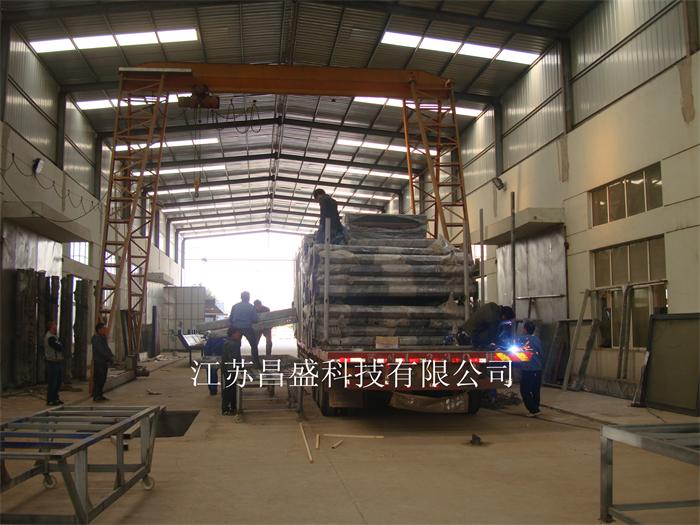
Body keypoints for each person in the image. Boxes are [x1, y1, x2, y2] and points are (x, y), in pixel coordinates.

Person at [229, 291, 261, 368]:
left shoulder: (235, 306)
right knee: (254, 345)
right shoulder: (251, 307)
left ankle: (237, 364)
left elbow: (231, 318)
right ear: (249, 298)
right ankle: (256, 364)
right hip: (247, 328)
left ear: (241, 297)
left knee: (236, 346)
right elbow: (255, 320)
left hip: (236, 328)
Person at [519, 320, 543, 416]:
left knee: (524, 390)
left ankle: (533, 410)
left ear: (525, 329)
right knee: (535, 390)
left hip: (528, 369)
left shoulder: (522, 339)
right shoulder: (537, 339)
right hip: (538, 368)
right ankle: (536, 408)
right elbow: (541, 353)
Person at [221, 327, 243, 416]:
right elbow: (234, 359)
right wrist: (239, 368)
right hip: (230, 370)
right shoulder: (232, 344)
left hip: (228, 369)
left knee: (232, 389)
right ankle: (226, 408)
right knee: (230, 389)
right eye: (238, 333)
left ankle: (232, 407)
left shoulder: (229, 342)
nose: (240, 335)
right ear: (233, 334)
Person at [91, 322, 115, 402]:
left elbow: (106, 348)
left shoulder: (103, 337)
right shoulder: (96, 338)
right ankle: (96, 395)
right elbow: (101, 350)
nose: (105, 330)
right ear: (99, 330)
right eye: (104, 329)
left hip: (103, 362)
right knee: (98, 379)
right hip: (99, 362)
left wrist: (111, 356)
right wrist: (108, 357)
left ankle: (100, 395)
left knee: (102, 379)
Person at [44, 320, 64, 406]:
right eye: (55, 325)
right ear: (51, 327)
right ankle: (50, 399)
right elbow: (59, 347)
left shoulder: (55, 337)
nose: (56, 326)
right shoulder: (50, 337)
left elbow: (62, 345)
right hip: (52, 362)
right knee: (53, 382)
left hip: (57, 361)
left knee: (58, 381)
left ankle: (55, 398)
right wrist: (60, 345)